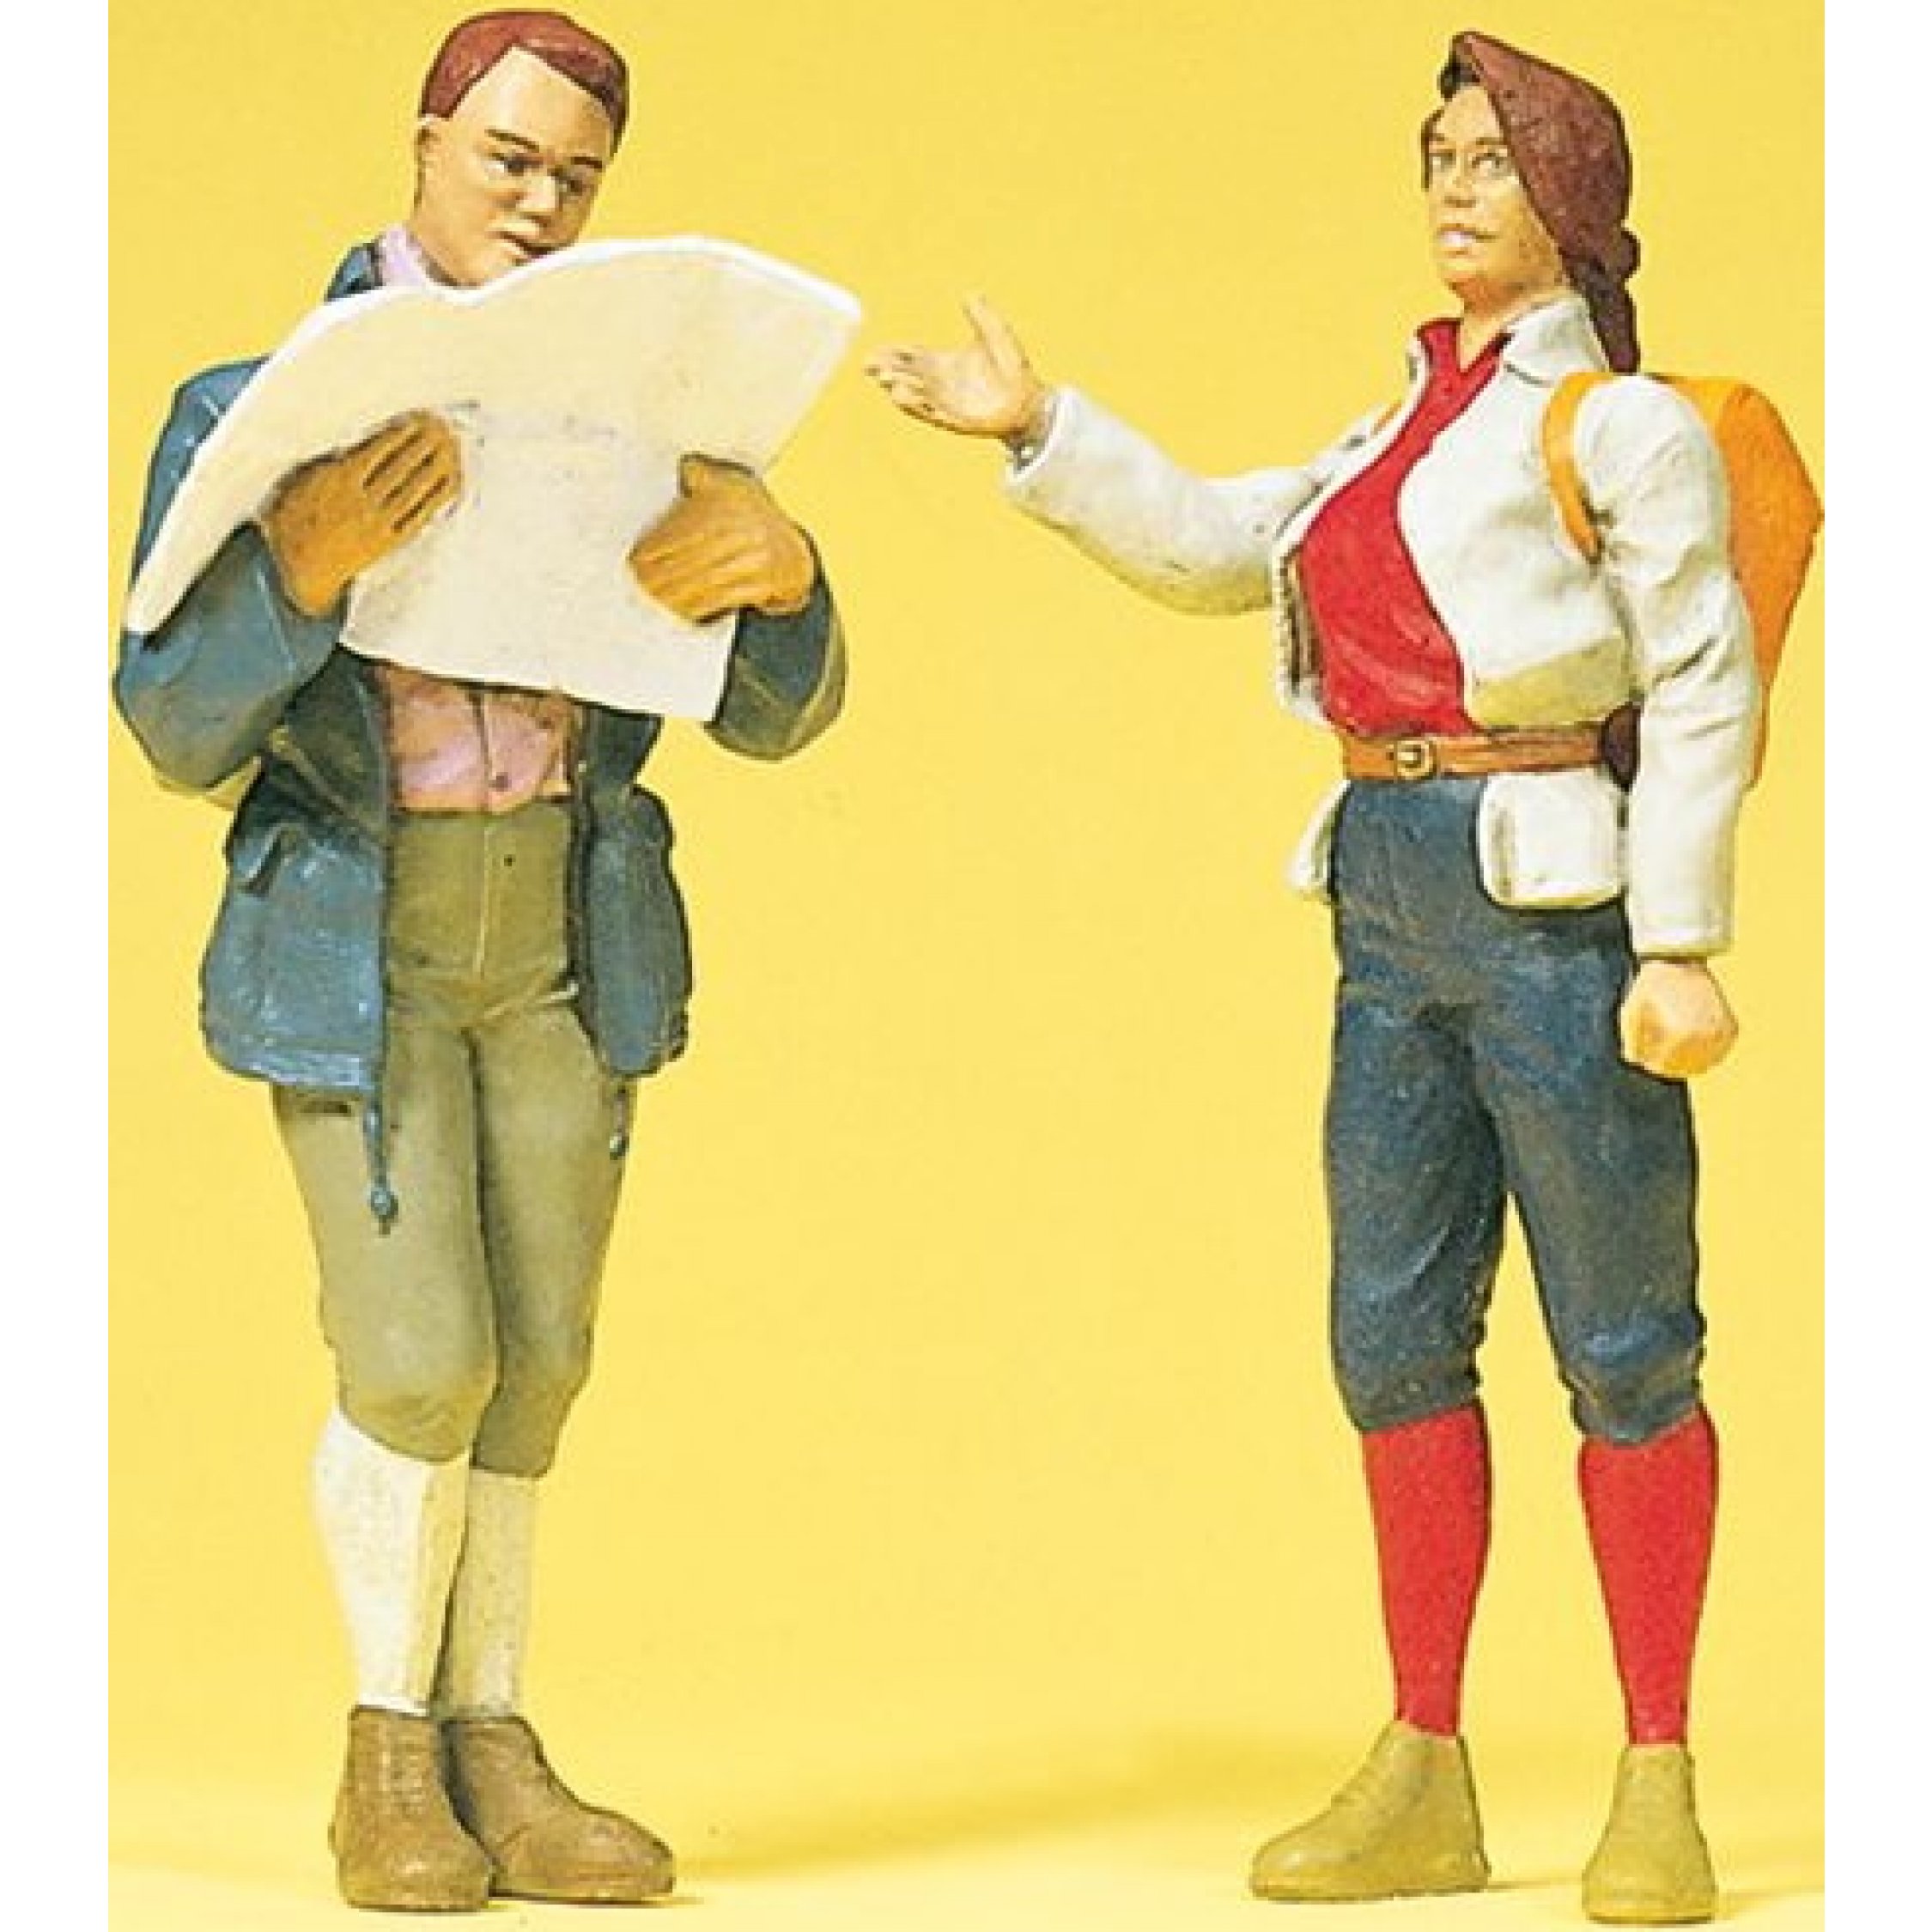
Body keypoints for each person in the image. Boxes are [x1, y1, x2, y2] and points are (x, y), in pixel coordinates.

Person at [869, 29, 1760, 1927]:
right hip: (1385, 893)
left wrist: (1679, 939)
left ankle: (1657, 1771)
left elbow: (1700, 678)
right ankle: (1422, 1758)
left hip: (1553, 904)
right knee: (1390, 1336)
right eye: (1438, 156)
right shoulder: (1398, 424)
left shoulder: (1615, 427)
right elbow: (1220, 546)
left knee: (1625, 1344)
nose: (1453, 188)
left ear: (1571, 200)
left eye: (1492, 161)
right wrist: (1039, 428)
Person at [117, 10, 845, 1914]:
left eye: (577, 178)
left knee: (539, 1362)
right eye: (508, 158)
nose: (538, 203)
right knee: (418, 1355)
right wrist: (296, 570)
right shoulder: (260, 405)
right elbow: (170, 720)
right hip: (358, 937)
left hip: (565, 933)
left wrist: (779, 578)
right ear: (426, 142)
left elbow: (777, 710)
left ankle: (492, 1736)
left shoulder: (633, 414)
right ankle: (385, 1747)